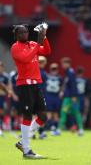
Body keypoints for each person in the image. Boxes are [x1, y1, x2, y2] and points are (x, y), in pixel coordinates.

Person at [11, 23, 51, 158]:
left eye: (26, 32)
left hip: (36, 84)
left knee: (43, 117)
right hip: (24, 84)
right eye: (21, 33)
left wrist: (44, 37)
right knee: (27, 116)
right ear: (16, 35)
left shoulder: (32, 44)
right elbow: (26, 58)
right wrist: (37, 43)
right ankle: (27, 151)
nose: (24, 34)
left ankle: (23, 142)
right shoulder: (15, 47)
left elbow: (46, 51)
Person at [58, 57, 84, 136]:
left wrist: (73, 96)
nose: (62, 65)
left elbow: (73, 85)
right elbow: (67, 85)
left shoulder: (70, 72)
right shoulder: (68, 72)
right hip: (70, 96)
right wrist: (62, 91)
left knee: (64, 112)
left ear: (67, 64)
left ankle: (59, 130)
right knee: (76, 113)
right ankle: (80, 130)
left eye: (63, 64)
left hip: (70, 98)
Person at [45, 63, 62, 135]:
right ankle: (49, 127)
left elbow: (61, 86)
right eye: (53, 69)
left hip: (56, 96)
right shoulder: (47, 76)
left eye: (55, 69)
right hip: (49, 96)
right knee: (48, 113)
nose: (54, 71)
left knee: (55, 114)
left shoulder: (60, 78)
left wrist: (61, 92)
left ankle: (55, 128)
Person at [0, 61, 9, 136]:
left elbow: (8, 88)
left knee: (2, 112)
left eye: (1, 66)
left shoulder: (5, 76)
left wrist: (3, 86)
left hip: (2, 97)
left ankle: (2, 127)